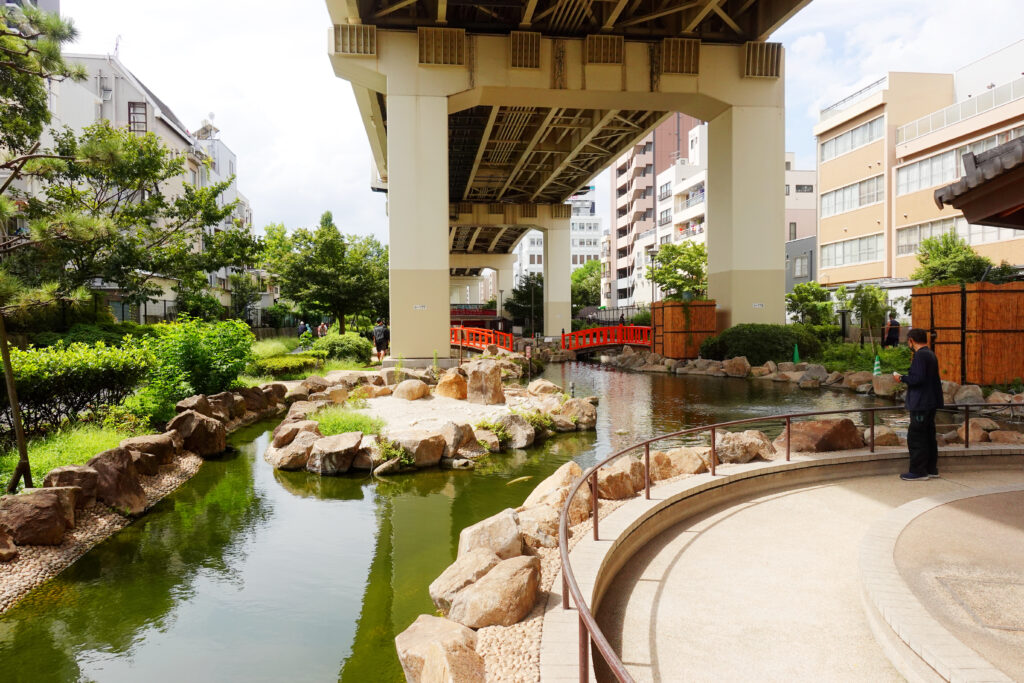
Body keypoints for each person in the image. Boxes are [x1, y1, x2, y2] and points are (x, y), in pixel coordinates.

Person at [893, 328, 943, 481]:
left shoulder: (920, 356)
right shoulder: (930, 354)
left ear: (911, 341)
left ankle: (918, 471)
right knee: (928, 436)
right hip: (930, 402)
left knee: (916, 437)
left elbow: (918, 379)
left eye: (908, 341)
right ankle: (931, 469)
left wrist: (901, 378)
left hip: (921, 403)